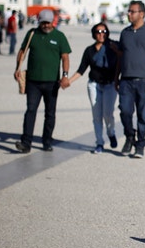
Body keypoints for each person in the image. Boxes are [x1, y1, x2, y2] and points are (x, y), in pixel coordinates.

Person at [13, 10, 72, 153]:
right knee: (30, 110)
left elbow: (65, 57)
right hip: (33, 81)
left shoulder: (59, 36)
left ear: (53, 22)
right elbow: (22, 51)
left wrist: (65, 75)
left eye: (48, 23)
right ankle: (26, 143)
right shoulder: (32, 34)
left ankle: (47, 141)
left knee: (50, 113)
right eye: (42, 23)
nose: (45, 25)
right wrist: (17, 68)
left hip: (52, 82)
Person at [116, 0, 145, 159]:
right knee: (125, 111)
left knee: (143, 114)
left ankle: (140, 144)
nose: (129, 14)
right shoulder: (125, 33)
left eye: (132, 11)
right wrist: (116, 77)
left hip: (144, 80)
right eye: (128, 11)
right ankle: (130, 137)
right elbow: (120, 57)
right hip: (126, 80)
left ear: (141, 14)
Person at [68, 22, 119, 154]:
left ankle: (111, 132)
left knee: (108, 114)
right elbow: (81, 69)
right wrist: (69, 81)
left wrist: (117, 51)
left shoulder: (113, 46)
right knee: (97, 115)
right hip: (94, 85)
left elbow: (123, 59)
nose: (101, 34)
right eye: (98, 32)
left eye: (104, 32)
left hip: (110, 85)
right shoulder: (89, 50)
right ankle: (99, 143)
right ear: (94, 34)